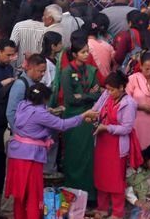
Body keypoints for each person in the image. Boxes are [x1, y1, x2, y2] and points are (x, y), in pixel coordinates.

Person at [7, 83, 96, 219]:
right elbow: (62, 124)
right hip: (30, 157)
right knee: (33, 195)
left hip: (17, 154)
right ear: (44, 99)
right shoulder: (40, 113)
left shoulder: (23, 105)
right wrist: (83, 116)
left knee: (20, 195)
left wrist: (49, 112)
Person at [91, 70, 138, 217]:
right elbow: (96, 109)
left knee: (116, 179)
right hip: (102, 142)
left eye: (112, 89)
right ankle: (102, 208)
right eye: (107, 89)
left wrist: (107, 127)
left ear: (122, 87)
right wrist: (91, 116)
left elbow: (126, 128)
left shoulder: (129, 103)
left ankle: (118, 212)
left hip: (117, 144)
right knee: (101, 176)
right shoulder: (106, 95)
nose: (109, 92)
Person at [59, 35, 101, 197]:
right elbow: (70, 99)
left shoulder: (91, 70)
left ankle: (89, 195)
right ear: (75, 54)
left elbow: (98, 94)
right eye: (83, 52)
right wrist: (88, 95)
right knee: (73, 156)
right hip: (73, 119)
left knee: (88, 157)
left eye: (87, 51)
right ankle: (72, 194)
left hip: (89, 118)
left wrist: (83, 96)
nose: (86, 54)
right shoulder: (67, 71)